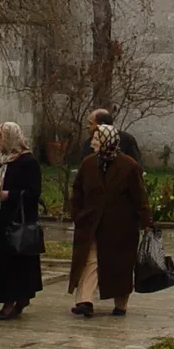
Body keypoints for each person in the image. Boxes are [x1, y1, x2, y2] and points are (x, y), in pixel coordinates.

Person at [68, 124, 153, 318]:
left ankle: (120, 304)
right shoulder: (88, 163)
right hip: (90, 223)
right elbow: (78, 191)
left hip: (120, 227)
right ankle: (85, 301)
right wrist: (77, 214)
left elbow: (139, 196)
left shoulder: (129, 166)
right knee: (89, 259)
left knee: (119, 266)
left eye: (97, 139)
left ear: (108, 140)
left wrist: (146, 221)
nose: (93, 143)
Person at [0, 120, 44, 321]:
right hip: (0, 222)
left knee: (16, 264)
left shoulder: (27, 162)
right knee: (4, 263)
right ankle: (15, 299)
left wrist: (9, 195)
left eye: (1, 137)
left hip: (18, 223)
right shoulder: (1, 162)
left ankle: (11, 303)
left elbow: (33, 192)